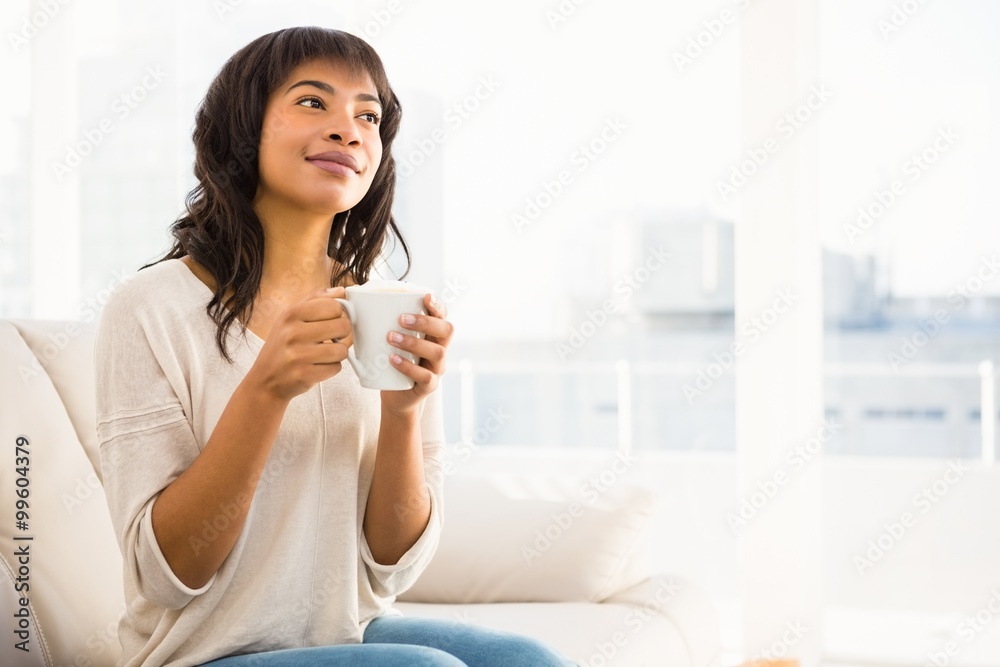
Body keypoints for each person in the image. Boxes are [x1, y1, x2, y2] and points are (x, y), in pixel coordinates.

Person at [95, 26, 576, 667]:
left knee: (527, 659)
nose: (349, 130)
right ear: (244, 128)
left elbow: (389, 569)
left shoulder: (386, 309)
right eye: (313, 103)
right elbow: (168, 573)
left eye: (368, 115)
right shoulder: (150, 308)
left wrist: (405, 410)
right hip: (200, 655)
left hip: (344, 634)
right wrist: (264, 392)